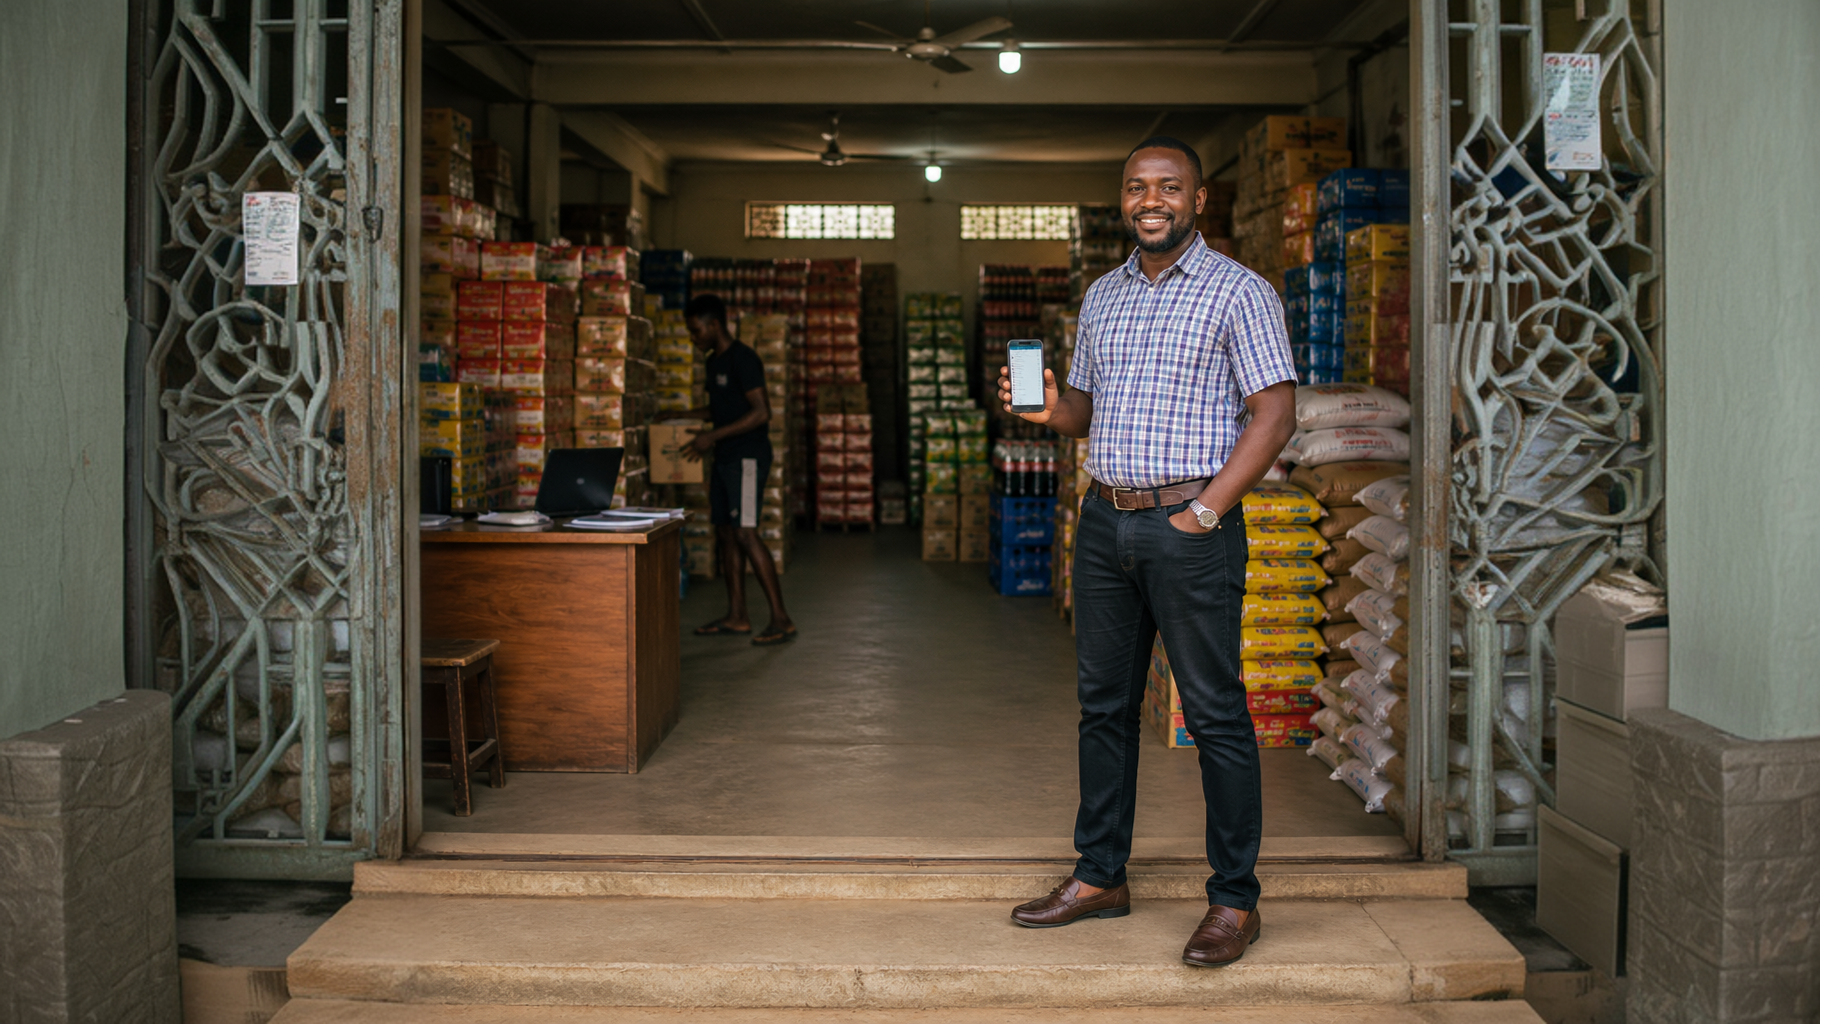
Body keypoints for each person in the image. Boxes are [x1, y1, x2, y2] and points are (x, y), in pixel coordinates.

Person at [996, 136, 1298, 967]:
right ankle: (1099, 876)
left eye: (1168, 186)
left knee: (1213, 713)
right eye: (1136, 187)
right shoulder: (1102, 296)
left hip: (1189, 525)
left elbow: (1274, 415)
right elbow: (1085, 413)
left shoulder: (1240, 291)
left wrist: (1204, 512)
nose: (1150, 200)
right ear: (1122, 200)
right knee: (1103, 708)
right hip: (1105, 522)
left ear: (1197, 200)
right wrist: (1048, 409)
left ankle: (1233, 901)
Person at [680, 293, 795, 646]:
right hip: (725, 457)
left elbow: (761, 412)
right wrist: (679, 416)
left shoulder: (743, 359)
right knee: (726, 534)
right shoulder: (713, 362)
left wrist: (711, 437)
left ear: (715, 325)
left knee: (745, 533)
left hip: (747, 458)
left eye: (697, 330)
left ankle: (781, 619)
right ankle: (737, 616)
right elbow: (721, 410)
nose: (693, 338)